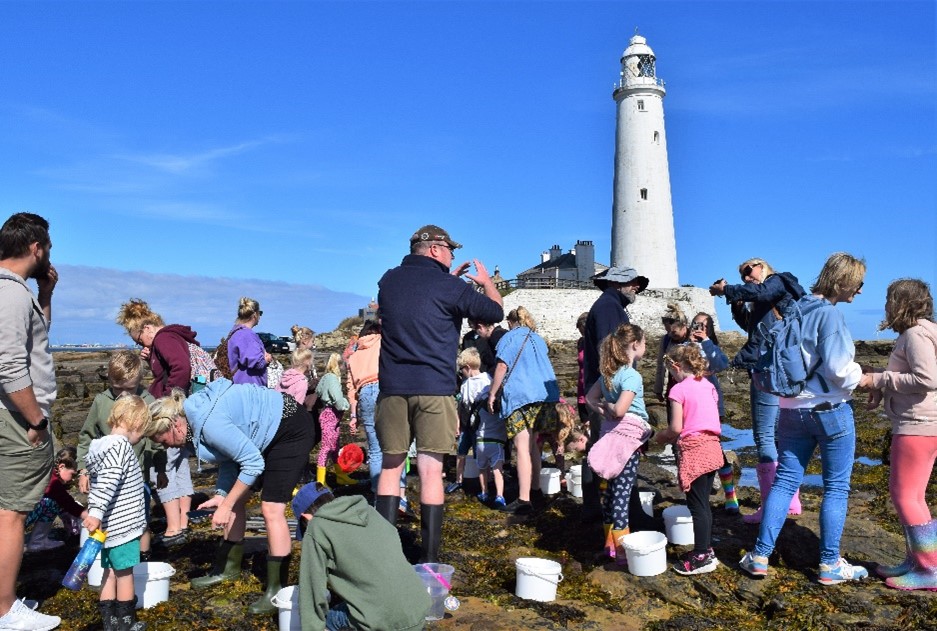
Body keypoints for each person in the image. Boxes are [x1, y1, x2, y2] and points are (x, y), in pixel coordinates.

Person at [374, 224, 503, 563]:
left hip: (392, 388)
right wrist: (485, 282)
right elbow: (495, 312)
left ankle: (385, 553)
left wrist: (451, 281)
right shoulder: (449, 286)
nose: (453, 256)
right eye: (450, 251)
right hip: (434, 388)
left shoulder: (388, 281)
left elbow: (417, 302)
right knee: (431, 470)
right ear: (435, 249)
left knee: (391, 467)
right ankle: (429, 557)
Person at [740, 252, 869, 585]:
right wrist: (871, 379)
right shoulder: (830, 316)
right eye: (857, 285)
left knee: (784, 482)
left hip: (789, 410)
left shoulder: (794, 310)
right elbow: (841, 371)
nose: (859, 292)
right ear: (842, 282)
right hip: (830, 412)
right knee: (836, 488)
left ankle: (759, 556)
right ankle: (829, 564)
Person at [146, 379, 317, 614]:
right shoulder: (194, 420)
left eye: (162, 441)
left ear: (174, 425)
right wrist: (223, 496)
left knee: (271, 508)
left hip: (290, 429)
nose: (166, 447)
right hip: (266, 431)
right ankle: (228, 569)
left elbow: (252, 464)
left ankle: (277, 591)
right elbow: (229, 457)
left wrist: (226, 505)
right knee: (232, 501)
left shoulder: (207, 423)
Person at [0, 211, 62, 630]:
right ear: (36, 248)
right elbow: (9, 365)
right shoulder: (10, 294)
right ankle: (5, 611)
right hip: (16, 420)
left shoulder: (20, 294)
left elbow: (34, 341)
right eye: (49, 249)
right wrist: (36, 420)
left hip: (8, 416)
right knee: (11, 515)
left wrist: (46, 294)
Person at [710, 258, 805, 523]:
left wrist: (726, 291)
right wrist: (737, 305)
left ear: (764, 267)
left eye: (749, 270)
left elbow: (761, 294)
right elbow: (754, 329)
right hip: (786, 372)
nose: (746, 277)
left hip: (769, 370)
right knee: (779, 436)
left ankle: (771, 506)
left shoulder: (777, 281)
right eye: (742, 275)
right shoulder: (774, 294)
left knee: (764, 436)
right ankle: (791, 501)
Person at [863, 279, 937, 590]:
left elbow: (926, 378)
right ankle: (916, 560)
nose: (886, 307)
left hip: (917, 424)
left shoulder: (915, 334)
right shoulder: (925, 330)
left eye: (890, 300)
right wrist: (883, 387)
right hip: (924, 423)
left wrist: (880, 378)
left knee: (905, 495)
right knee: (913, 496)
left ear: (901, 303)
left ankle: (929, 569)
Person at [294, 482, 431, 631]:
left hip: (385, 621)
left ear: (305, 517)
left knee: (329, 620)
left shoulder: (317, 527)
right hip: (418, 610)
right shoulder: (368, 510)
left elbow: (312, 593)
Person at [654, 307, 739, 514]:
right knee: (680, 444)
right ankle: (691, 486)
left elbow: (721, 364)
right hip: (681, 399)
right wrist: (659, 388)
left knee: (715, 450)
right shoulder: (680, 345)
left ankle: (729, 493)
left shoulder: (709, 346)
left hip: (708, 405)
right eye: (696, 324)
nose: (699, 328)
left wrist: (705, 342)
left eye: (704, 325)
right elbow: (668, 365)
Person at [581, 266, 649, 523]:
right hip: (611, 393)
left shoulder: (609, 305)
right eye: (632, 282)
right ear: (615, 283)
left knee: (604, 450)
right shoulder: (610, 307)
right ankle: (617, 513)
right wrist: (613, 395)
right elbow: (609, 351)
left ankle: (599, 509)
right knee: (614, 453)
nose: (636, 287)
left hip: (603, 389)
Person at [77, 350, 161, 558]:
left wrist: (160, 469)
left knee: (141, 520)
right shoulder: (101, 401)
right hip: (106, 477)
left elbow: (155, 440)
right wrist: (83, 469)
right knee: (108, 519)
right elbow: (87, 435)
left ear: (140, 380)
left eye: (130, 389)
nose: (123, 395)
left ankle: (143, 558)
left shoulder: (147, 400)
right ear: (109, 380)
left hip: (137, 476)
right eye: (117, 389)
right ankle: (113, 561)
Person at [584, 324, 650, 566]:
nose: (645, 347)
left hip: (609, 435)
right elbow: (621, 409)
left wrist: (601, 409)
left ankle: (609, 546)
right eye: (643, 343)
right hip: (627, 440)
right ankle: (622, 553)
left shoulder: (607, 375)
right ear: (635, 345)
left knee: (610, 495)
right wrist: (610, 408)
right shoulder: (632, 375)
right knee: (622, 495)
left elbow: (589, 398)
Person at [654, 345, 723, 575]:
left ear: (675, 366)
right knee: (704, 504)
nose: (672, 377)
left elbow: (675, 428)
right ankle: (707, 549)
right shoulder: (708, 385)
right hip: (713, 447)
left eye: (671, 373)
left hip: (694, 450)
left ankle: (702, 555)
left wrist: (658, 438)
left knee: (697, 506)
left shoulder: (677, 390)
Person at [84, 395, 149, 631]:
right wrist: (97, 512)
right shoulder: (120, 447)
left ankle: (109, 623)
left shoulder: (99, 447)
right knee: (124, 574)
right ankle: (126, 622)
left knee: (108, 573)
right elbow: (108, 483)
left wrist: (96, 513)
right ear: (136, 423)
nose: (141, 437)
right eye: (142, 430)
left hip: (107, 528)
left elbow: (97, 482)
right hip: (123, 525)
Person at [488, 307, 560, 514]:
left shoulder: (509, 338)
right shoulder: (537, 338)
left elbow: (502, 366)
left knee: (521, 447)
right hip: (544, 396)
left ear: (511, 322)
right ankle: (535, 491)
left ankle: (523, 499)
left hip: (521, 396)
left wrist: (493, 393)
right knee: (533, 445)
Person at [115, 298, 208, 398]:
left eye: (140, 341)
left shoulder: (163, 339)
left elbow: (181, 367)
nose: (141, 345)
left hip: (176, 401)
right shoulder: (170, 337)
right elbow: (164, 374)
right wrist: (151, 358)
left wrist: (167, 398)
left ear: (148, 329)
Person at [458, 348, 506, 508]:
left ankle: (483, 492)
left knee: (480, 467)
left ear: (467, 367)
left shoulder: (466, 386)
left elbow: (464, 406)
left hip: (478, 436)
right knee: (498, 469)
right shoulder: (488, 379)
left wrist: (460, 423)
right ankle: (500, 495)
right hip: (496, 437)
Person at [24, 447, 88, 552]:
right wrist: (90, 516)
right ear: (62, 467)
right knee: (52, 503)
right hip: (19, 517)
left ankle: (38, 540)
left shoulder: (46, 471)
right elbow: (69, 504)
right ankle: (38, 541)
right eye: (73, 474)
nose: (72, 479)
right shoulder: (53, 482)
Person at [315, 353, 352, 487]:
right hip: (331, 414)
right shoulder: (332, 379)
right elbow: (337, 399)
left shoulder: (325, 377)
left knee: (335, 446)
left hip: (328, 413)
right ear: (338, 364)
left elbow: (318, 391)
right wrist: (346, 405)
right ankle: (320, 481)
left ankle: (340, 476)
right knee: (326, 448)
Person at [226, 297, 271, 386]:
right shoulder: (247, 335)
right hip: (249, 387)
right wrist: (266, 359)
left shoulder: (235, 332)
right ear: (255, 315)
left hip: (237, 385)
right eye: (260, 313)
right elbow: (257, 362)